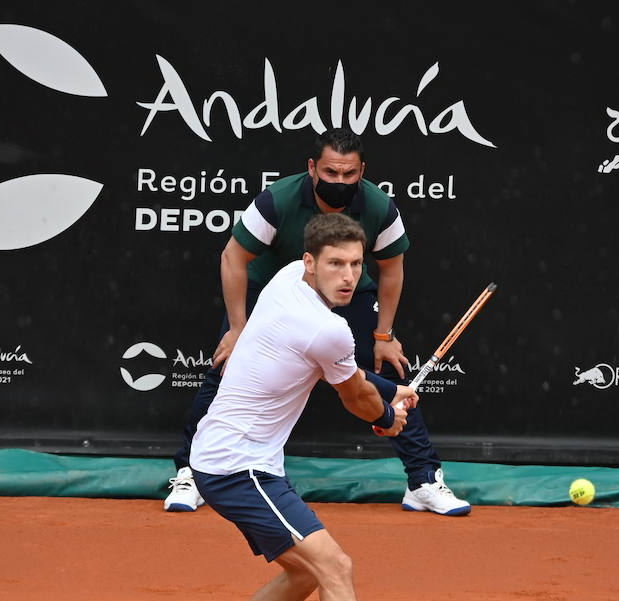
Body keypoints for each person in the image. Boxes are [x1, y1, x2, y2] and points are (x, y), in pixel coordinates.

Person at [178, 213, 459, 601]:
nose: (348, 275)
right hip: (239, 466)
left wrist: (387, 392)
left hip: (233, 458)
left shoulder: (286, 280)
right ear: (310, 262)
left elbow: (351, 377)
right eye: (336, 263)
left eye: (356, 265)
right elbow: (354, 396)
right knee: (334, 566)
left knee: (303, 576)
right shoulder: (326, 328)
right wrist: (387, 416)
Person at [164, 128, 469, 517]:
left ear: (362, 172)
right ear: (312, 168)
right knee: (227, 366)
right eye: (330, 173)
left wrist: (384, 335)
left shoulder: (380, 207)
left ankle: (422, 480)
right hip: (275, 289)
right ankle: (192, 471)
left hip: (348, 290)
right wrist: (238, 328)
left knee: (389, 369)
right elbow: (233, 257)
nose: (339, 182)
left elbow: (392, 271)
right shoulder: (277, 200)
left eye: (349, 175)